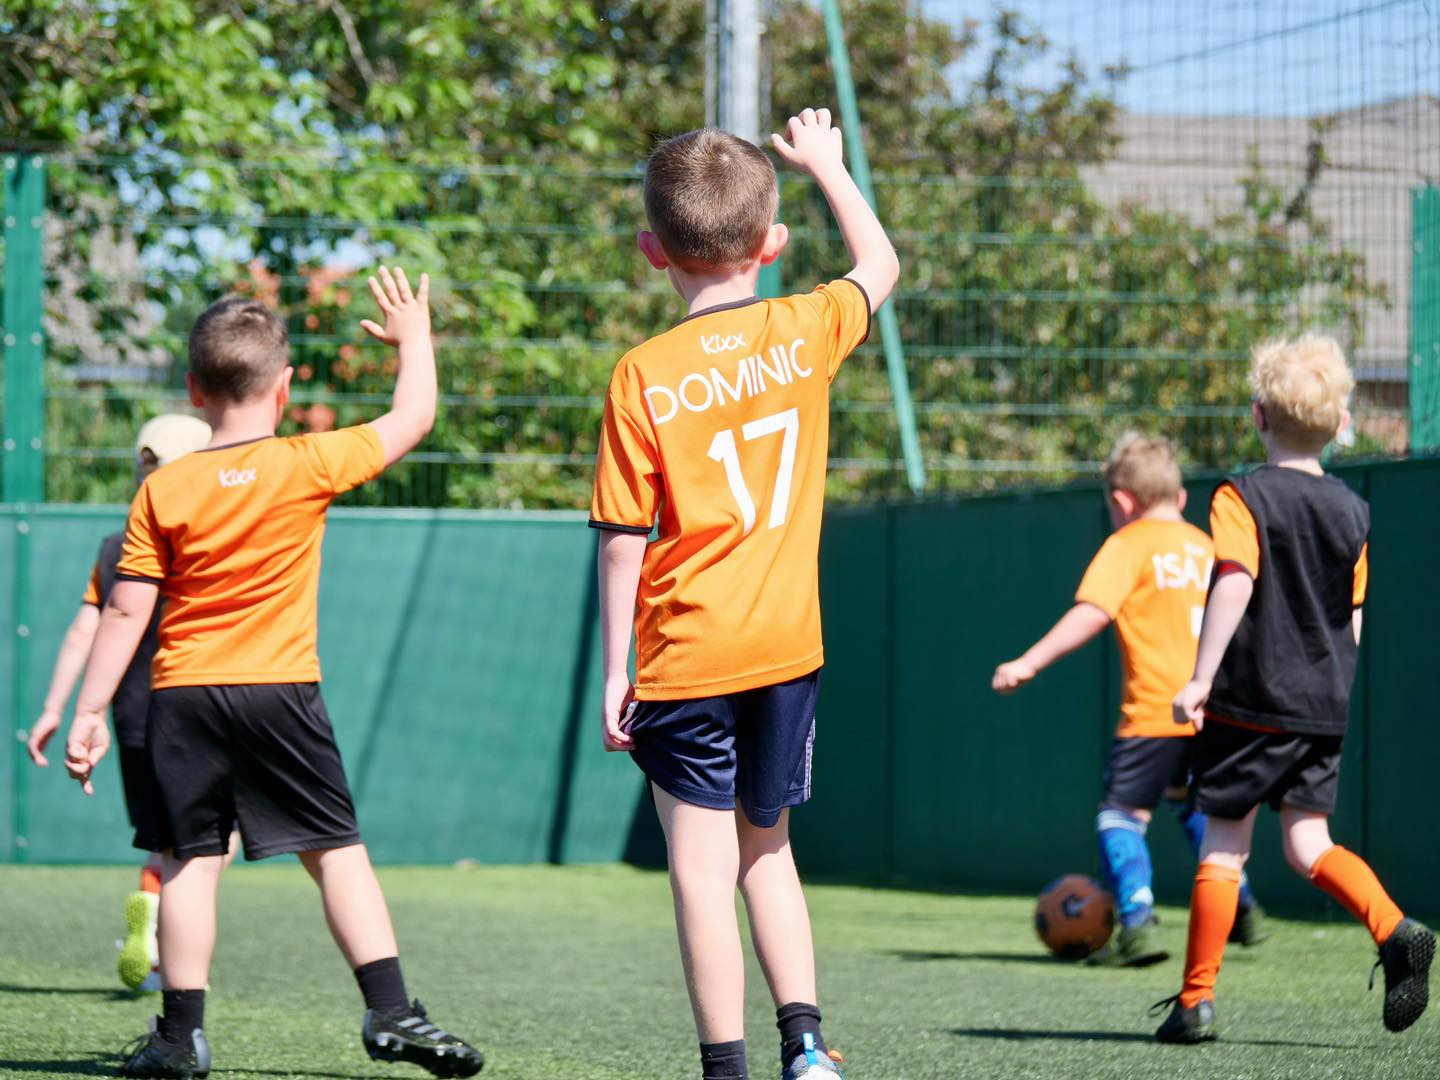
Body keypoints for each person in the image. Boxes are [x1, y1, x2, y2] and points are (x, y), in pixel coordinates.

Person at [61, 271, 484, 1078]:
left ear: (192, 388)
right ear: (285, 388)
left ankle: (180, 1038)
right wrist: (413, 335)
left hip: (181, 696)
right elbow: (414, 415)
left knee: (190, 861)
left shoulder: (164, 488)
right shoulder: (309, 460)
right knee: (335, 850)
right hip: (279, 690)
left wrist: (89, 710)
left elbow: (124, 612)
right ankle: (391, 1013)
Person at [590, 108, 898, 1080]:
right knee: (770, 850)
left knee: (700, 864)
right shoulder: (805, 328)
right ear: (772, 245)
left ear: (652, 252)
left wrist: (614, 669)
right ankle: (806, 1047)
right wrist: (829, 168)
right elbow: (881, 265)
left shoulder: (642, 374)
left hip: (685, 655)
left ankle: (725, 1067)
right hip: (784, 649)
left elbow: (620, 539)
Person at [1155, 333, 1434, 1043]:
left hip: (1250, 702)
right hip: (1322, 705)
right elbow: (1356, 613)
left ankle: (1195, 1003)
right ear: (1342, 425)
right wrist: (1333, 689)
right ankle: (1393, 927)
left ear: (1256, 416)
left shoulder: (1241, 496)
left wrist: (1200, 677)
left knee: (1224, 846)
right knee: (1310, 843)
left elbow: (1235, 582)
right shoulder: (1354, 511)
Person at [992, 434, 1267, 966]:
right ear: (1181, 498)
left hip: (1155, 711)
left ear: (1121, 503)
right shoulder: (1206, 547)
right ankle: (1243, 907)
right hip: (1213, 709)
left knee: (1120, 815)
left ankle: (1137, 921)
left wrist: (1028, 661)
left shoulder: (1128, 544)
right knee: (1193, 806)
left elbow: (1093, 610)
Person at [30, 414, 215, 993]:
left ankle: (153, 912)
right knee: (214, 840)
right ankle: (162, 929)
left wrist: (57, 709)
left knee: (166, 837)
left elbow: (84, 632)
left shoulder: (116, 548)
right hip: (205, 705)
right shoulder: (213, 542)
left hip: (133, 720)